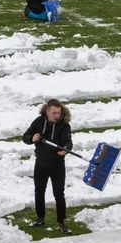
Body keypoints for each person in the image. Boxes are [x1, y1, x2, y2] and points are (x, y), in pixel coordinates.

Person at [22, 98, 72, 233]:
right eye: (54, 113)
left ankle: (61, 222)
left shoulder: (64, 125)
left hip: (57, 165)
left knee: (59, 194)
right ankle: (40, 217)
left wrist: (65, 149)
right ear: (47, 111)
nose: (57, 115)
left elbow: (68, 141)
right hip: (41, 163)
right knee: (39, 191)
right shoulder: (38, 122)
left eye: (59, 112)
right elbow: (25, 137)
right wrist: (32, 139)